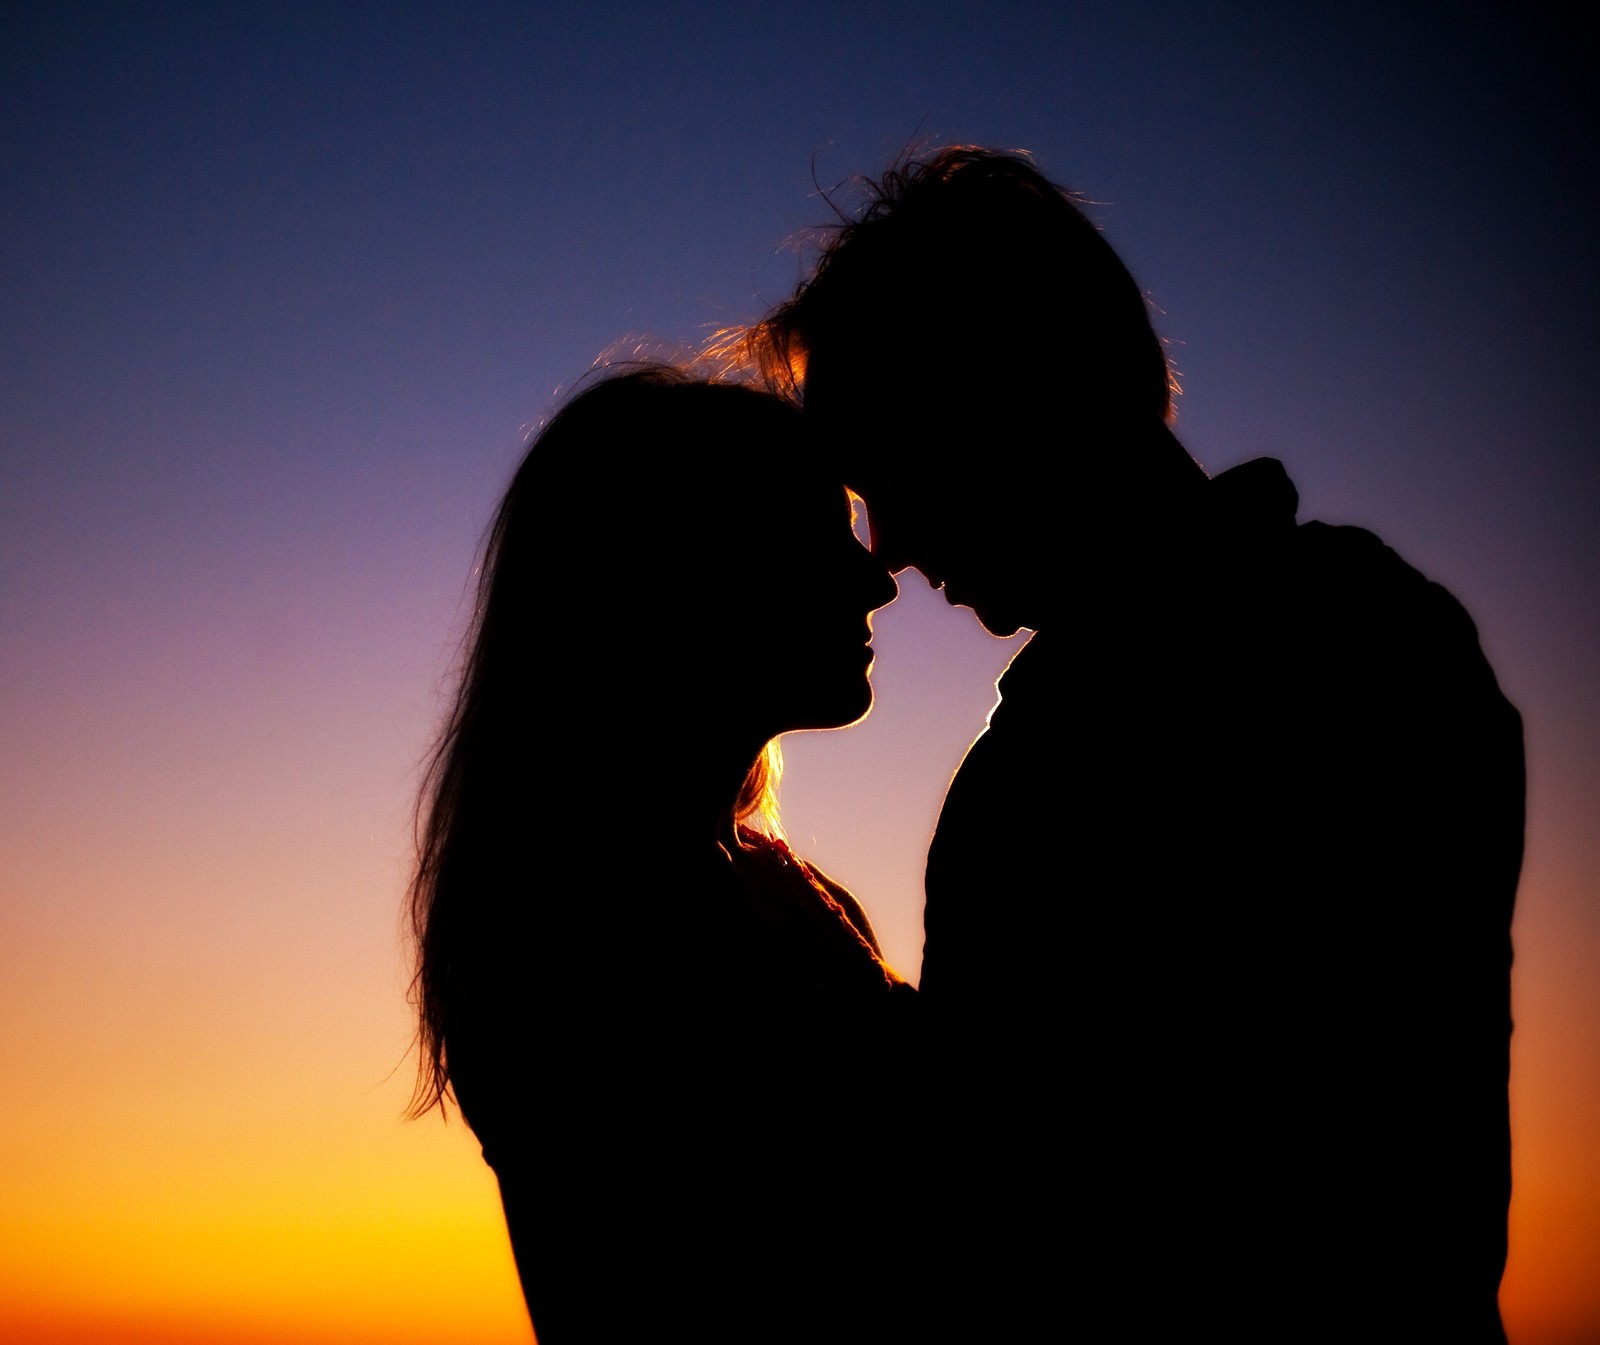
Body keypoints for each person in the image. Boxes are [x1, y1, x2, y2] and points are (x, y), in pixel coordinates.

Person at [741, 147, 1525, 1341]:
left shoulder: (1273, 681)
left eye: (890, 466)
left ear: (1013, 396)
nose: (889, 546)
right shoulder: (1371, 631)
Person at [407, 366, 913, 1343]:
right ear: (684, 577)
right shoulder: (582, 925)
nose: (875, 576)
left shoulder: (772, 886)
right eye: (818, 538)